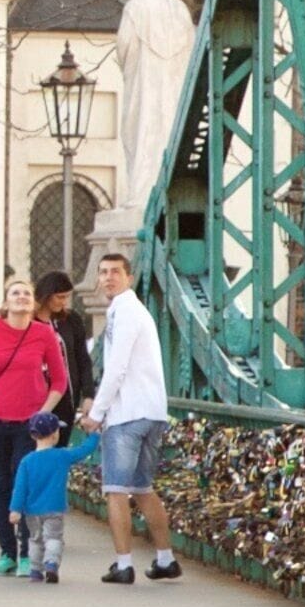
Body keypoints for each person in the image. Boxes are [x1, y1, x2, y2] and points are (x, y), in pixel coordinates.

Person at [0, 277, 71, 577]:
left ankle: (27, 554)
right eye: (15, 293)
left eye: (26, 293)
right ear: (6, 301)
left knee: (25, 487)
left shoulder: (43, 334)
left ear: (34, 302)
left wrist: (42, 413)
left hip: (27, 424)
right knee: (0, 487)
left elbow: (59, 381)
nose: (21, 297)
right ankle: (7, 552)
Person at [85, 248, 180, 585]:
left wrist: (97, 412)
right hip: (152, 411)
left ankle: (123, 564)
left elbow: (116, 368)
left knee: (115, 489)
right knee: (142, 488)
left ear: (129, 277)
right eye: (103, 272)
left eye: (115, 271)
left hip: (128, 414)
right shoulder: (133, 311)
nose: (108, 277)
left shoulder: (125, 313)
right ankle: (165, 558)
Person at [7, 414, 98, 582]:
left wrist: (15, 509)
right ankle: (51, 563)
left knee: (35, 539)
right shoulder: (61, 456)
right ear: (55, 435)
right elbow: (84, 450)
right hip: (54, 506)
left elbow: (20, 488)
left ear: (33, 435)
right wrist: (94, 435)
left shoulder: (26, 461)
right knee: (54, 537)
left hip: (31, 510)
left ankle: (35, 570)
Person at [35, 270, 97, 426]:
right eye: (60, 297)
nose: (64, 302)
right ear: (46, 295)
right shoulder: (30, 322)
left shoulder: (71, 320)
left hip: (67, 398)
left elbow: (82, 358)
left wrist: (88, 395)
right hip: (36, 398)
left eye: (66, 297)